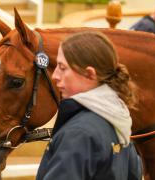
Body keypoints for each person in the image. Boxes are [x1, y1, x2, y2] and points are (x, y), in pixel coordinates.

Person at [36, 31, 142, 180]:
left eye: (62, 67)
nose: (55, 76)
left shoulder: (79, 134)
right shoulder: (118, 120)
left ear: (90, 74)